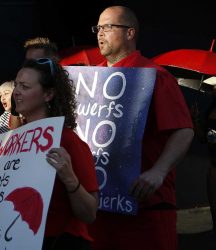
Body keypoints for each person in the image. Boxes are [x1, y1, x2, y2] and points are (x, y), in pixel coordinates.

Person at [87, 6, 194, 250]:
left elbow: (184, 130)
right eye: (98, 28)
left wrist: (158, 171)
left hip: (145, 207)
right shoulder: (91, 81)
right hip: (100, 209)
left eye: (107, 27)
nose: (99, 34)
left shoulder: (156, 76)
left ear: (130, 33)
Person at [13, 58, 99, 249]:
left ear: (48, 94)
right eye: (16, 85)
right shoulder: (12, 142)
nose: (16, 92)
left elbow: (89, 213)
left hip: (61, 242)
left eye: (25, 86)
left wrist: (69, 178)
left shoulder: (68, 141)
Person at [192, 86, 216, 233]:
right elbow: (202, 138)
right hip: (214, 167)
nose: (214, 87)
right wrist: (194, 118)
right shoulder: (211, 110)